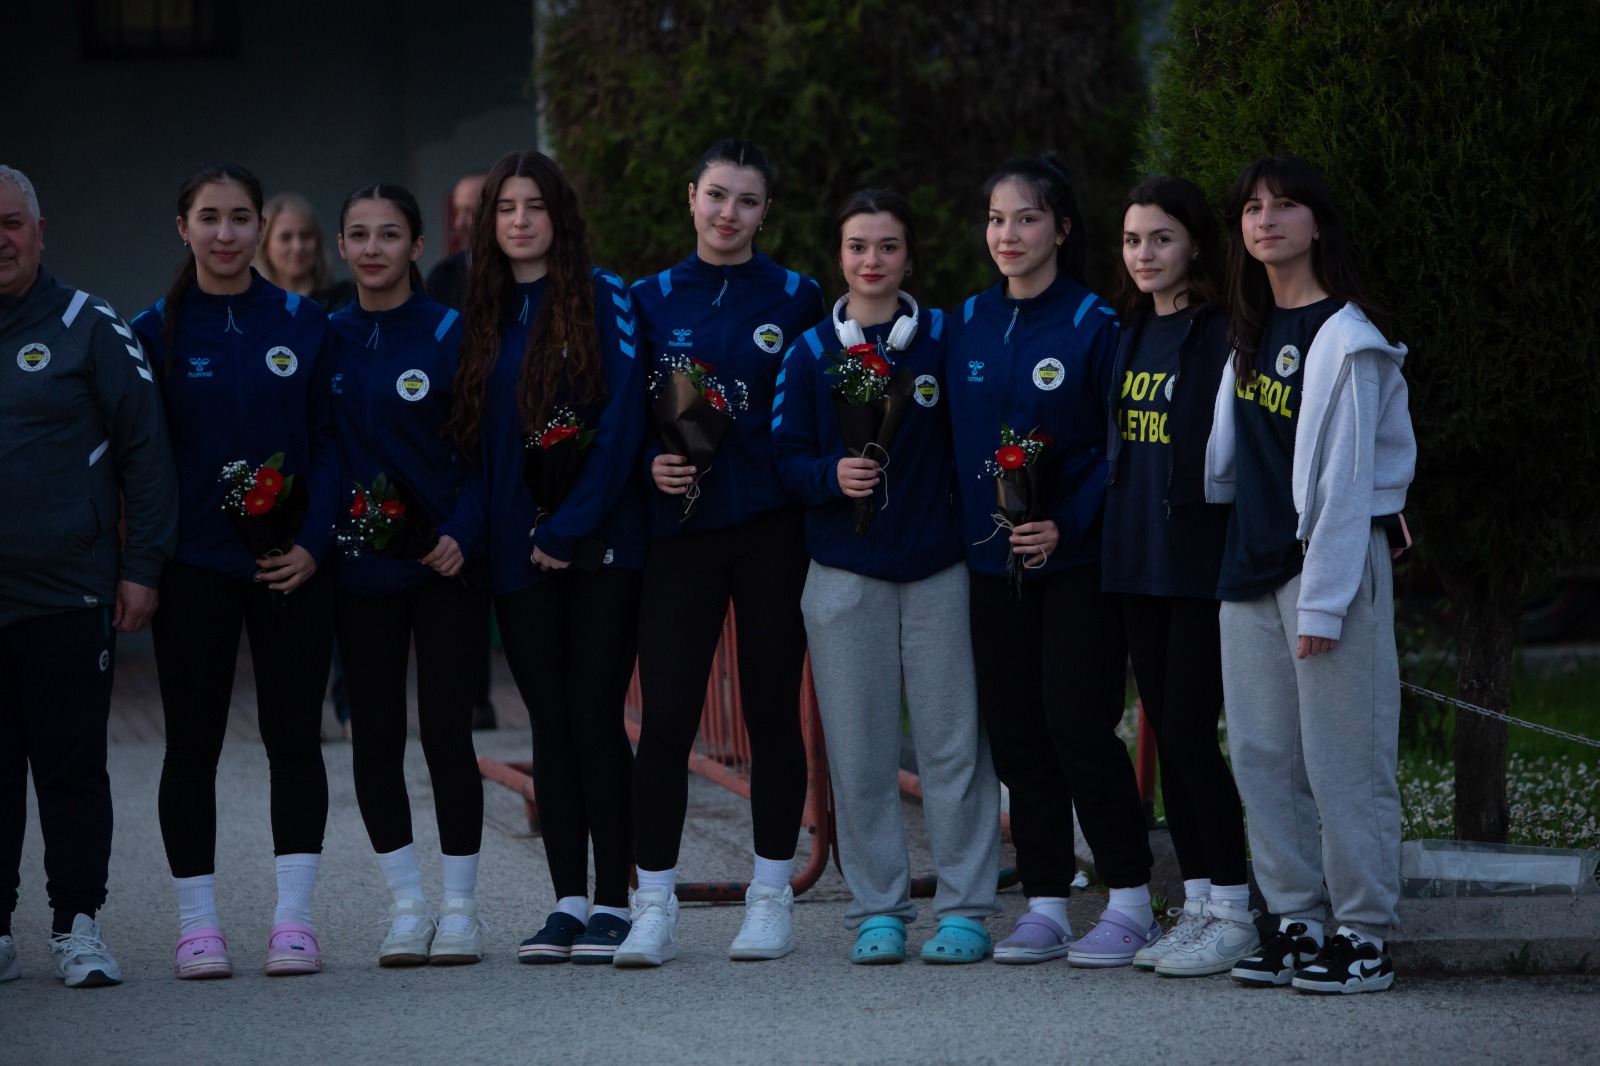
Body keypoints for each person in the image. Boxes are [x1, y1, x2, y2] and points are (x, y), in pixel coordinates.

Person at [772, 188, 1001, 965]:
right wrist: (829, 476)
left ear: (910, 256)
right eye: (858, 246)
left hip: (938, 572)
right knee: (859, 751)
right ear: (839, 256)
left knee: (954, 747)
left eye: (888, 246)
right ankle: (878, 910)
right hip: (844, 576)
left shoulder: (945, 338)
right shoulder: (809, 352)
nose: (872, 260)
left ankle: (966, 908)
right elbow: (784, 456)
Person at [1206, 155, 1414, 994]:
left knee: (1344, 761)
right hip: (1247, 572)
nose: (1266, 219)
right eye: (1253, 207)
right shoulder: (1248, 331)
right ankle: (1296, 920)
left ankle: (1365, 933)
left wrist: (1323, 604)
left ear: (1318, 223)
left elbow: (1349, 486)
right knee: (1263, 759)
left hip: (1324, 574)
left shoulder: (1351, 339)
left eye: (1285, 205)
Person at [616, 138, 826, 967]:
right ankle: (653, 905)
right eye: (716, 195)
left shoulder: (800, 297)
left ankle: (770, 898)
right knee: (666, 718)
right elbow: (623, 413)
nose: (728, 213)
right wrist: (649, 462)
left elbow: (818, 409)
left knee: (772, 714)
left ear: (766, 211)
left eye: (746, 200)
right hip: (681, 534)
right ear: (690, 197)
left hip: (772, 530)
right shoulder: (648, 299)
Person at [945, 155, 1158, 967]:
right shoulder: (964, 320)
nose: (1008, 234)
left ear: (1062, 229)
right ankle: (1044, 904)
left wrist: (1066, 524)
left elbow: (1116, 447)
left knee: (1077, 726)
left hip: (1076, 568)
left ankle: (1131, 900)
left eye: (1027, 218)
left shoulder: (1095, 324)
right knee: (1018, 736)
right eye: (997, 219)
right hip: (989, 569)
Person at [131, 162, 340, 980]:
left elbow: (330, 442)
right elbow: (140, 461)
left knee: (294, 739)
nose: (225, 233)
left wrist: (313, 545)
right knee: (192, 747)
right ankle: (198, 928)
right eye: (209, 218)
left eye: (240, 217)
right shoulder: (150, 331)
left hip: (292, 568)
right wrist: (145, 561)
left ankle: (294, 923)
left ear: (260, 227)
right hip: (195, 567)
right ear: (182, 228)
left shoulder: (303, 321)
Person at [446, 151, 646, 965]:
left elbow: (625, 419)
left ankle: (616, 902)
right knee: (551, 722)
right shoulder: (477, 310)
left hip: (600, 547)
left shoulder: (604, 296)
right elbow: (472, 444)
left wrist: (569, 527)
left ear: (559, 215)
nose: (521, 220)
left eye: (534, 205)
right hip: (514, 554)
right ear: (487, 223)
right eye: (506, 208)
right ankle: (566, 902)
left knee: (595, 714)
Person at [0, 164, 178, 988]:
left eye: (10, 223)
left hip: (67, 594)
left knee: (70, 769)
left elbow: (148, 451)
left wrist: (142, 566)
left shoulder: (88, 323)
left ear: (40, 232)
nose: (0, 240)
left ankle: (77, 925)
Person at [326, 183, 490, 966]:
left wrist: (463, 531)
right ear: (341, 246)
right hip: (361, 572)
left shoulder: (452, 332)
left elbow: (487, 451)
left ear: (417, 246)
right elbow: (319, 451)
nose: (372, 249)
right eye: (358, 235)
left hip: (444, 568)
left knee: (447, 733)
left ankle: (459, 910)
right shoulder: (326, 337)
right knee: (376, 737)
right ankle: (406, 906)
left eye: (388, 234)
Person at [1102, 177, 1255, 976]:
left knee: (1193, 736)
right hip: (1136, 562)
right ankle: (1197, 903)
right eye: (1133, 240)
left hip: (1199, 565)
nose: (1145, 254)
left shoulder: (1226, 331)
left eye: (1160, 238)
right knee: (1165, 735)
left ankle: (1235, 907)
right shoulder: (1128, 331)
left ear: (1194, 242)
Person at [254, 193, 356, 313]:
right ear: (265, 246)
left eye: (306, 236)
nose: (298, 247)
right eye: (285, 238)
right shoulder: (251, 309)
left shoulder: (348, 301)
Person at [424, 172, 487, 312]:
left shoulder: (521, 272)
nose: (459, 223)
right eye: (456, 211)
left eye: (470, 211)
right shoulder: (443, 277)